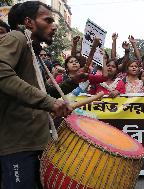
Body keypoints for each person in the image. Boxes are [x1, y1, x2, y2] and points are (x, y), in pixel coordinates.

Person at [0, 2, 82, 188]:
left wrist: (73, 81)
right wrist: (49, 102)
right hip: (19, 146)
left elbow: (43, 91)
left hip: (37, 142)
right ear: (28, 22)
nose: (54, 26)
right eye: (48, 20)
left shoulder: (31, 49)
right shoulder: (16, 37)